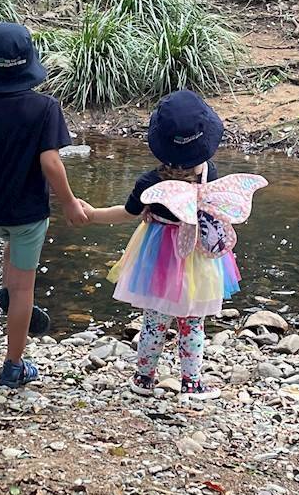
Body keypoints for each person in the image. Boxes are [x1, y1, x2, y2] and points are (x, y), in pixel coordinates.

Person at [85, 90, 263, 401]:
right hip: (201, 255)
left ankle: (144, 377)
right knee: (193, 322)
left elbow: (127, 214)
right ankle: (191, 383)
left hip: (159, 256)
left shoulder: (150, 183)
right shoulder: (211, 174)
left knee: (154, 319)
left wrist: (91, 215)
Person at [0, 22, 88, 389]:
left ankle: (7, 293)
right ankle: (14, 365)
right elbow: (50, 162)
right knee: (25, 288)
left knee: (11, 249)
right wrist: (70, 202)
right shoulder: (46, 108)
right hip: (29, 215)